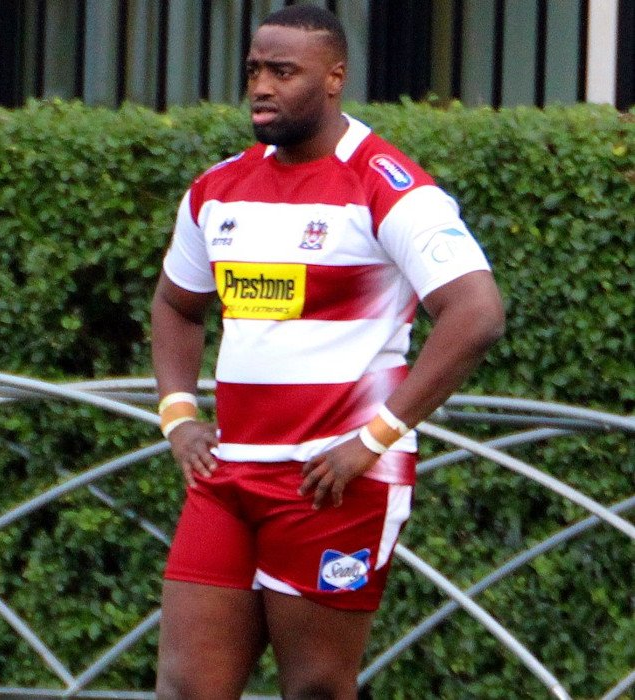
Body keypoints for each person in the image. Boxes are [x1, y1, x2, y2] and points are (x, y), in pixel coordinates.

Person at [151, 5, 505, 699]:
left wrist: (373, 440)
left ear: (335, 77)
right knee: (187, 686)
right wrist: (178, 415)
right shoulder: (217, 189)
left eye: (283, 72)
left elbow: (476, 313)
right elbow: (175, 305)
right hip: (228, 478)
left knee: (315, 688)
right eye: (255, 69)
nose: (261, 86)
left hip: (332, 482)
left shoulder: (387, 185)